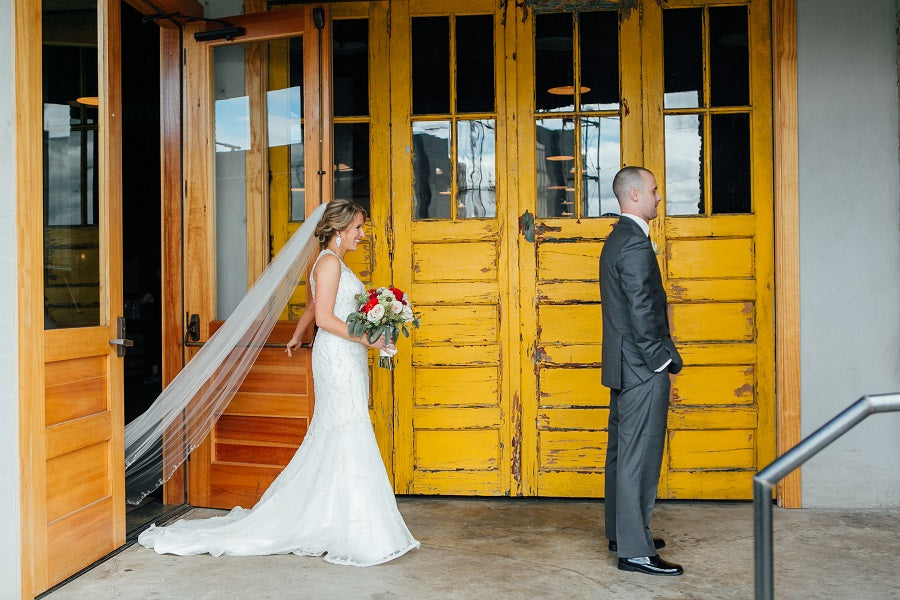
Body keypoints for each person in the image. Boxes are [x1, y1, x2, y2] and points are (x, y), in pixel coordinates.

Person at [138, 200, 419, 566]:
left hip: (339, 355)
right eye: (357, 229)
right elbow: (325, 317)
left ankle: (337, 515)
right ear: (339, 230)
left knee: (338, 428)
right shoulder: (331, 263)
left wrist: (297, 337)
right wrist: (372, 340)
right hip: (338, 356)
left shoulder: (323, 261)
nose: (362, 235)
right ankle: (355, 526)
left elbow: (310, 310)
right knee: (348, 427)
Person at [599, 167, 684, 576]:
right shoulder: (633, 244)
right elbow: (642, 310)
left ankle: (623, 531)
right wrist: (661, 360)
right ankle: (634, 550)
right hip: (640, 366)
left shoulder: (619, 239)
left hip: (623, 364)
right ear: (633, 195)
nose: (658, 197)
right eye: (653, 191)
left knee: (622, 453)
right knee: (639, 456)